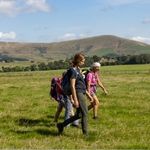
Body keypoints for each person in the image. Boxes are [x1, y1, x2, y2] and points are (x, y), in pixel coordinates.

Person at [57, 53, 93, 135]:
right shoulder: (73, 71)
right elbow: (73, 86)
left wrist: (89, 95)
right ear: (78, 61)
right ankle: (86, 134)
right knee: (85, 113)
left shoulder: (78, 70)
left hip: (82, 92)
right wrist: (75, 100)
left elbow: (82, 85)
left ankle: (61, 125)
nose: (84, 62)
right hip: (78, 93)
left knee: (78, 115)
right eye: (82, 61)